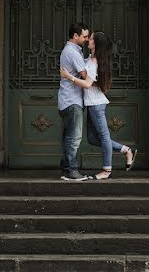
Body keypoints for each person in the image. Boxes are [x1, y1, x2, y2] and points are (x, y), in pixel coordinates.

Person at [61, 31, 136, 180]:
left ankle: (106, 170)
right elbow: (93, 82)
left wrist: (69, 77)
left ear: (96, 44)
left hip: (96, 104)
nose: (88, 39)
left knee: (104, 137)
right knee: (93, 139)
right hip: (91, 104)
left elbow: (87, 84)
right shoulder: (91, 58)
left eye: (91, 38)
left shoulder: (94, 62)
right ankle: (127, 150)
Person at [58, 22, 90, 181]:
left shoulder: (73, 51)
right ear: (75, 36)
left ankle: (66, 167)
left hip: (67, 100)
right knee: (74, 138)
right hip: (72, 100)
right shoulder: (72, 52)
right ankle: (71, 170)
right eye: (84, 36)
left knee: (68, 137)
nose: (87, 39)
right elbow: (85, 76)